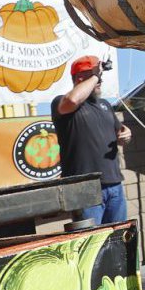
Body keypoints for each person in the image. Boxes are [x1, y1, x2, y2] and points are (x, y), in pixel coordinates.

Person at [52, 55, 131, 225]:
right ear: (80, 78)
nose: (100, 80)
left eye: (99, 76)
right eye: (95, 76)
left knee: (118, 240)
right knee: (92, 244)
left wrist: (126, 135)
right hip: (84, 188)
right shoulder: (61, 103)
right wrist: (96, 74)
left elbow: (120, 135)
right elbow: (72, 100)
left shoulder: (105, 105)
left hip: (114, 184)